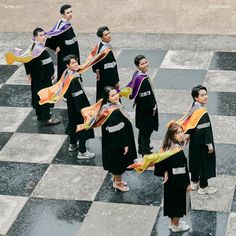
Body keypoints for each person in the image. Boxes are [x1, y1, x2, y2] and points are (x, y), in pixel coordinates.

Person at [154, 122, 191, 233]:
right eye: (178, 133)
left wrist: (165, 172)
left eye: (181, 132)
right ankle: (176, 225)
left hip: (170, 181)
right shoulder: (177, 152)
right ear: (172, 135)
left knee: (171, 202)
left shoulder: (167, 146)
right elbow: (182, 170)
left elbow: (160, 162)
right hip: (178, 183)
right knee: (178, 203)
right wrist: (187, 184)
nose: (181, 135)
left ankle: (173, 222)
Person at [100, 86, 137, 192]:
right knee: (119, 162)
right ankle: (118, 183)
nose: (116, 96)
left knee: (115, 161)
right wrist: (124, 144)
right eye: (112, 95)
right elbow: (116, 131)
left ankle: (116, 178)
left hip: (114, 141)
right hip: (117, 142)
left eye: (116, 93)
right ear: (107, 98)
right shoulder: (113, 112)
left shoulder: (109, 107)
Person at [24, 28, 60, 126]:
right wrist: (30, 74)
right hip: (42, 78)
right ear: (35, 37)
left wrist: (30, 74)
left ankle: (40, 114)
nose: (43, 37)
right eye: (40, 35)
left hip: (41, 77)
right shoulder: (35, 48)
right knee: (45, 97)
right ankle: (47, 118)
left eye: (44, 35)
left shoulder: (36, 46)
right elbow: (26, 60)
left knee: (39, 96)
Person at [186, 85, 217, 194]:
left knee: (195, 160)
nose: (205, 97)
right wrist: (209, 144)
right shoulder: (202, 112)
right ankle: (203, 187)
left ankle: (194, 182)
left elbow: (189, 122)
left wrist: (188, 134)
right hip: (203, 142)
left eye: (206, 94)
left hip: (194, 141)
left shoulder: (193, 107)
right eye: (202, 95)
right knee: (204, 163)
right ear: (196, 97)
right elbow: (206, 129)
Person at [63, 54, 95, 159]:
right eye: (73, 63)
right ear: (68, 65)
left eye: (76, 61)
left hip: (71, 106)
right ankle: (82, 151)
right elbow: (78, 97)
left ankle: (72, 144)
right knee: (83, 127)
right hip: (79, 108)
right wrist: (85, 111)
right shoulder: (74, 79)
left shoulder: (66, 74)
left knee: (73, 124)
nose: (76, 64)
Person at [127, 55, 158, 156]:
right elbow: (146, 97)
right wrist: (153, 107)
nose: (146, 65)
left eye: (146, 62)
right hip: (146, 109)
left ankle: (141, 147)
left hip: (140, 107)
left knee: (142, 129)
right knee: (146, 131)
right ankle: (145, 151)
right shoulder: (143, 80)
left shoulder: (137, 75)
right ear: (138, 66)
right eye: (142, 64)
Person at [45, 4, 80, 81]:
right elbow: (53, 38)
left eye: (71, 12)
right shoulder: (62, 26)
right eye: (68, 13)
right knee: (66, 76)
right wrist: (56, 46)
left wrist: (57, 45)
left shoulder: (66, 24)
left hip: (72, 53)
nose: (70, 14)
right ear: (63, 14)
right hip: (66, 56)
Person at [92, 26, 120, 101]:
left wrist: (97, 70)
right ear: (102, 37)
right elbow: (111, 68)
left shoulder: (99, 46)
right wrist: (116, 81)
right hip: (109, 81)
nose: (109, 36)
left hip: (102, 79)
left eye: (109, 33)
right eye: (106, 35)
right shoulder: (106, 51)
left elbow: (94, 61)